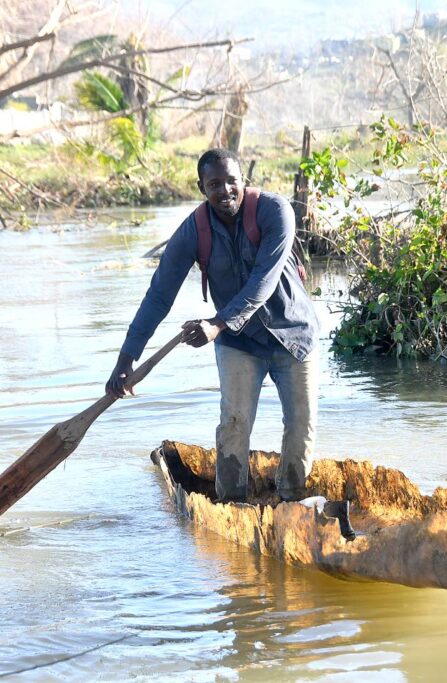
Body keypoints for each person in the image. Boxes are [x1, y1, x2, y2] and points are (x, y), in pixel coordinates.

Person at [105, 149, 353, 538]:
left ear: (243, 178)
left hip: (294, 335)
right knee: (234, 424)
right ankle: (231, 508)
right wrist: (126, 357)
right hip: (240, 342)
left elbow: (263, 282)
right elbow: (159, 295)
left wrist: (216, 324)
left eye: (231, 180)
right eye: (214, 184)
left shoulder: (275, 212)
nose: (225, 190)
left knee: (301, 426)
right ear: (201, 188)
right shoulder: (194, 230)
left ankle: (291, 502)